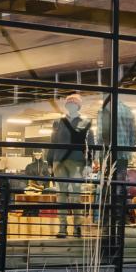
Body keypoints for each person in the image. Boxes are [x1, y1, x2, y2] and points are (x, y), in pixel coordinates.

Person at [46, 93, 94, 238]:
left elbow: (91, 145)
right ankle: (62, 227)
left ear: (78, 105)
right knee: (60, 195)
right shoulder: (58, 123)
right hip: (59, 162)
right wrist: (49, 162)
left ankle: (77, 227)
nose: (70, 106)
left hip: (78, 162)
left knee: (75, 196)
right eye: (68, 104)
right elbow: (52, 144)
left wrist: (89, 164)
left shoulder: (85, 123)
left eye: (73, 104)